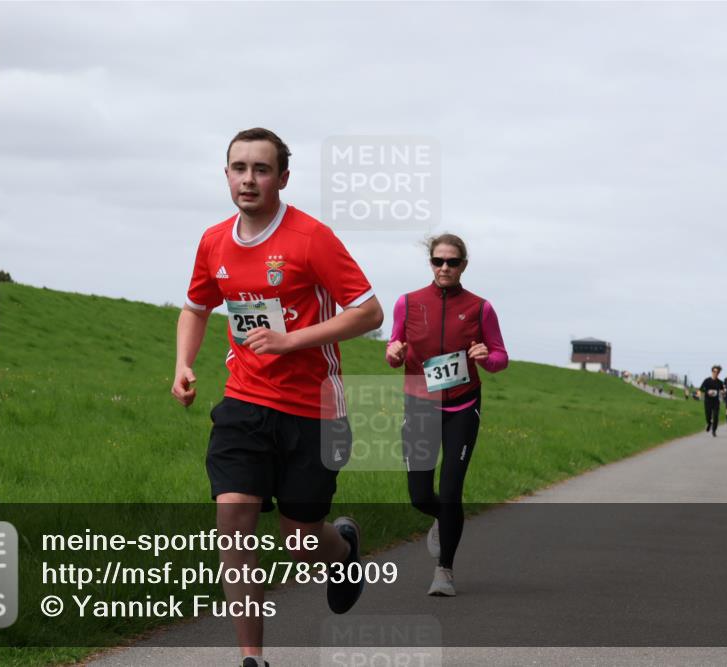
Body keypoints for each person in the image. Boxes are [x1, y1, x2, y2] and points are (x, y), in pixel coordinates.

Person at [172, 128, 383, 667]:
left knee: (301, 544)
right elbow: (196, 307)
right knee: (234, 525)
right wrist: (184, 365)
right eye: (238, 167)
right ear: (226, 175)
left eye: (261, 169)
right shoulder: (214, 241)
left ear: (282, 178)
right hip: (243, 403)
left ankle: (342, 548)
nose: (249, 179)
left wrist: (291, 339)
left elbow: (368, 312)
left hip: (313, 410)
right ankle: (253, 659)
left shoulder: (312, 238)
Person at [385, 233, 508, 596]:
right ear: (430, 263)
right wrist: (394, 353)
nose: (444, 268)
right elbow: (394, 354)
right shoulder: (407, 304)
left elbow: (501, 358)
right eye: (438, 261)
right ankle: (445, 519)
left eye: (452, 262)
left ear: (463, 265)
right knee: (421, 495)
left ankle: (444, 571)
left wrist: (487, 358)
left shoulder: (480, 308)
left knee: (451, 491)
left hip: (462, 405)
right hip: (420, 405)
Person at [699, 365, 725, 437]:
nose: (715, 373)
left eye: (717, 372)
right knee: (708, 415)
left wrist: (723, 392)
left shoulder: (720, 382)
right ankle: (709, 423)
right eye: (714, 371)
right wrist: (707, 391)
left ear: (719, 373)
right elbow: (701, 389)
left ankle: (714, 430)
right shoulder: (707, 380)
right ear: (712, 371)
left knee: (716, 416)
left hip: (716, 402)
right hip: (708, 401)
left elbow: (723, 390)